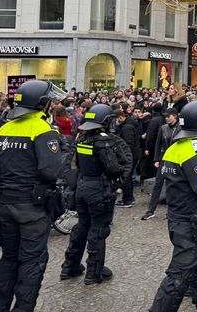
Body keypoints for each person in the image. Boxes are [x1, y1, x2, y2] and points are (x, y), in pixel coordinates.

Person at [0, 80, 68, 312]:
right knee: (32, 262)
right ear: (43, 104)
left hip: (5, 204)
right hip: (32, 208)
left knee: (9, 258)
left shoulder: (4, 128)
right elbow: (51, 171)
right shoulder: (41, 129)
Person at [149, 101, 197, 312]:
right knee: (177, 278)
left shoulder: (175, 147)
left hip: (183, 219)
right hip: (191, 223)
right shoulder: (195, 149)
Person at [60, 104, 130, 284]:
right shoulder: (104, 142)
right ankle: (94, 273)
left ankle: (70, 267)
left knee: (81, 226)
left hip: (82, 187)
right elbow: (114, 169)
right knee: (98, 230)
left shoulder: (81, 140)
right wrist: (120, 174)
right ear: (106, 121)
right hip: (98, 188)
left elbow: (71, 165)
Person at [142, 107, 181, 220]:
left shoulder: (180, 128)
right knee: (158, 184)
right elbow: (158, 144)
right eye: (166, 116)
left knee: (173, 186)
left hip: (175, 160)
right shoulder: (163, 128)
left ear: (175, 116)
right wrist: (156, 160)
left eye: (169, 116)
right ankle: (150, 210)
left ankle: (171, 211)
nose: (167, 118)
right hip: (164, 159)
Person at [114, 108, 141, 208]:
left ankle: (128, 200)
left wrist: (124, 157)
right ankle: (128, 198)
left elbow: (128, 144)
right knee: (127, 177)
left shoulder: (127, 127)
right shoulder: (128, 125)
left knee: (126, 177)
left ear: (120, 117)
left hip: (129, 156)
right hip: (132, 155)